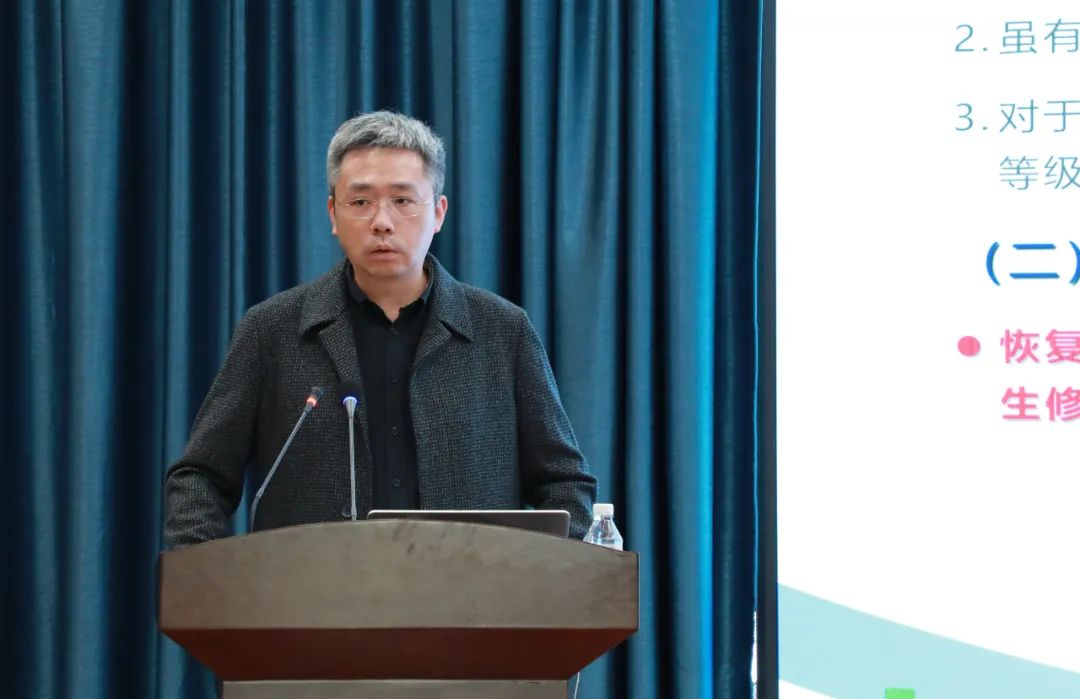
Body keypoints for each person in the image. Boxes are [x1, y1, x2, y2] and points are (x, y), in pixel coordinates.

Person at [163, 111, 596, 549]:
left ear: (439, 212)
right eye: (361, 202)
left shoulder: (502, 331)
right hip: (312, 589)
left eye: (403, 200)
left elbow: (565, 483)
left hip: (465, 588)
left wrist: (535, 576)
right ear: (333, 213)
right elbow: (200, 477)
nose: (382, 222)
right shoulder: (272, 330)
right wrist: (207, 579)